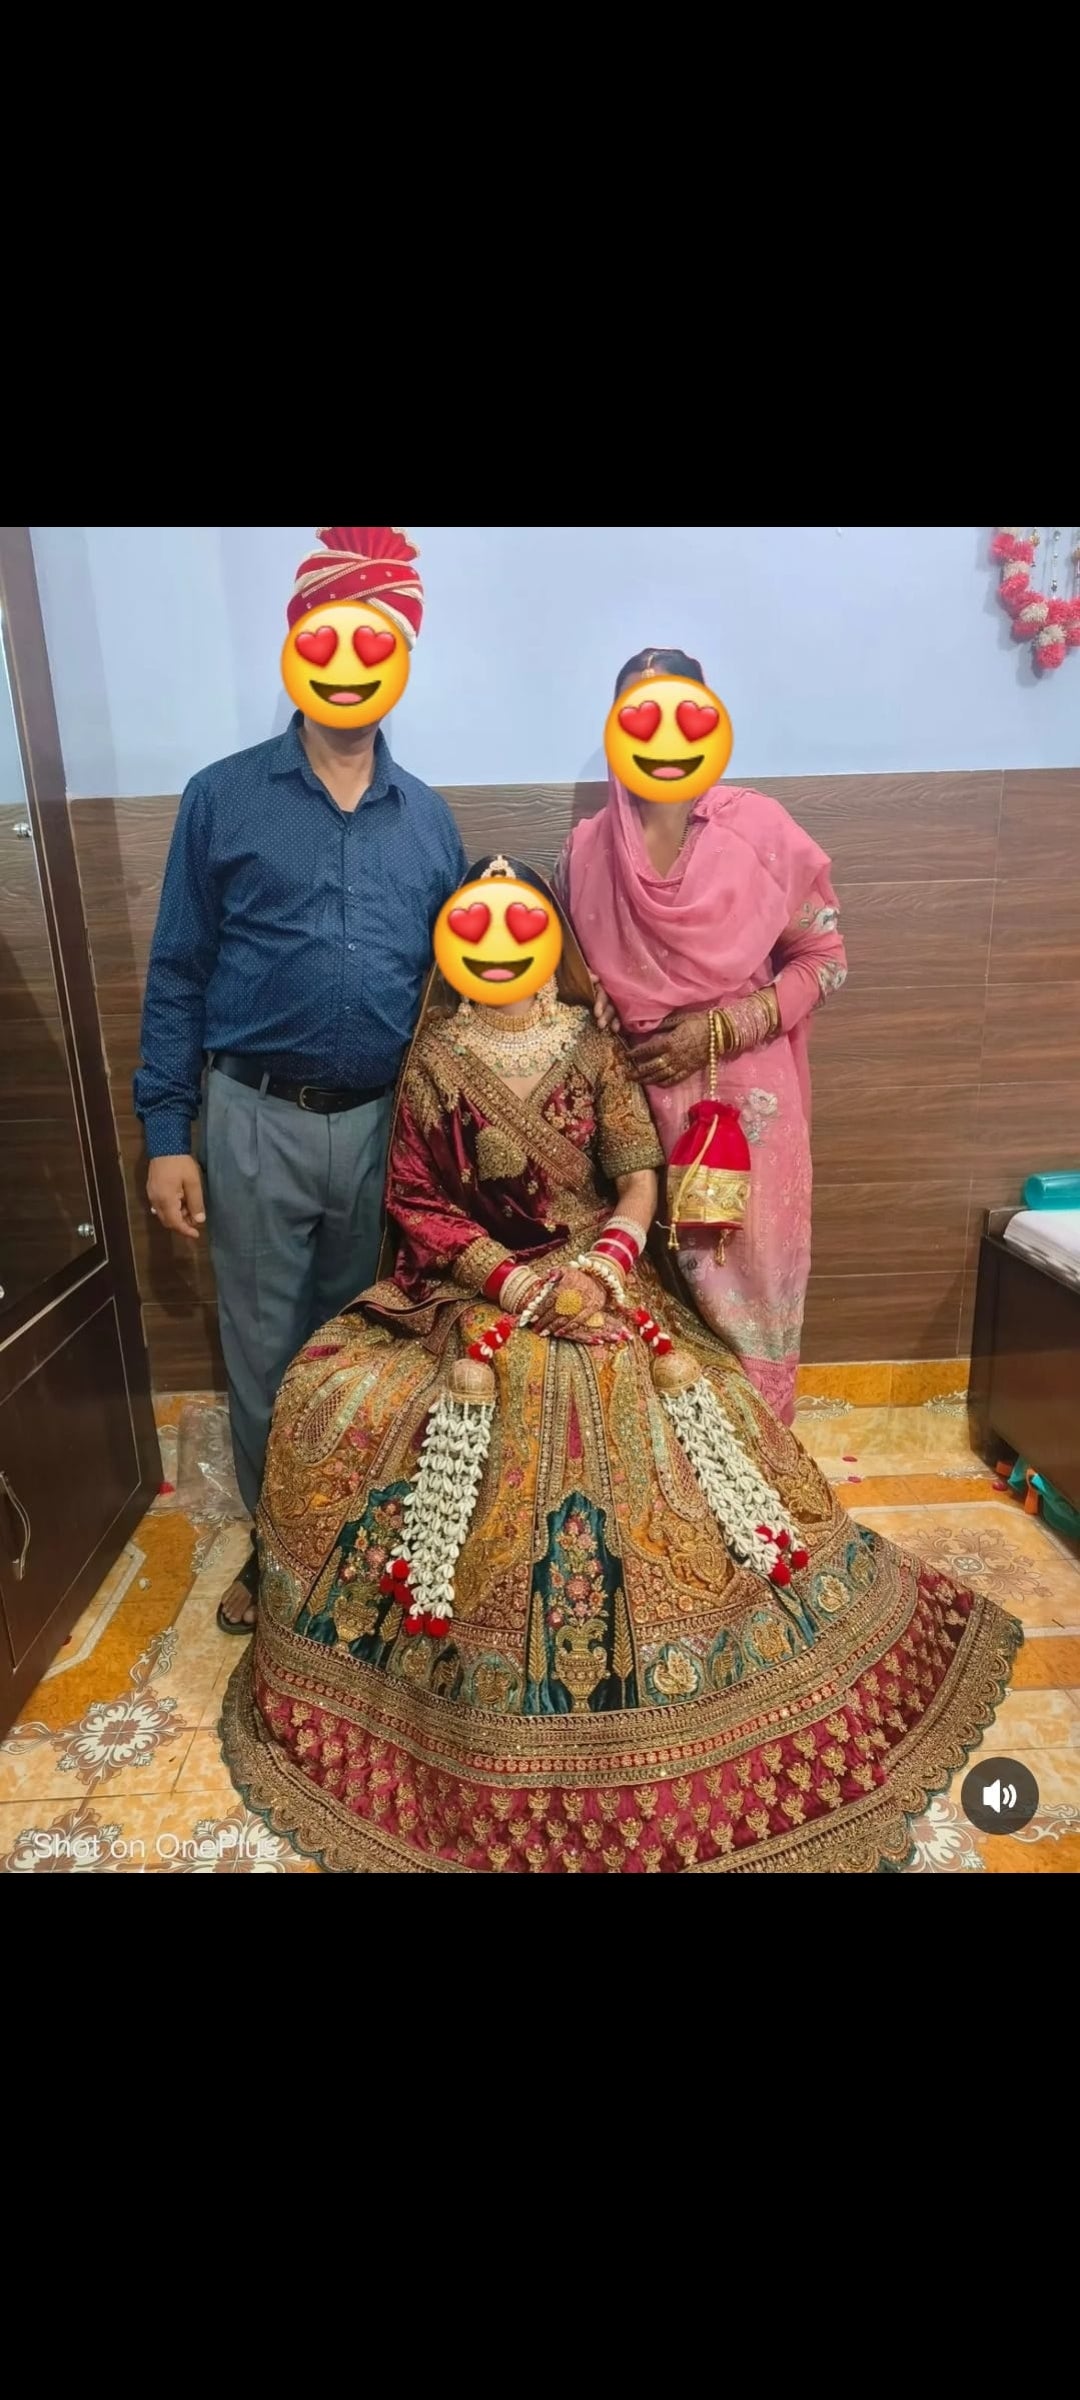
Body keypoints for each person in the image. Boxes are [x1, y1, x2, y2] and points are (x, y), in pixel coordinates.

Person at [220, 859, 1018, 1876]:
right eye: (477, 924)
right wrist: (511, 1284)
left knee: (661, 1419)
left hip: (599, 1276)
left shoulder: (593, 1046)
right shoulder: (432, 1058)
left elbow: (638, 1173)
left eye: (522, 924)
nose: (500, 945)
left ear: (552, 937)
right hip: (479, 1287)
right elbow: (416, 1202)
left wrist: (602, 1266)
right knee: (329, 1395)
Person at [135, 528, 469, 1632]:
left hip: (379, 1129)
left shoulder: (428, 820)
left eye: (374, 642)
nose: (349, 663)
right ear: (296, 647)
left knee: (356, 1351)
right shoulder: (223, 798)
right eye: (328, 638)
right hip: (252, 1121)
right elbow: (178, 970)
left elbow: (453, 990)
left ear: (400, 656)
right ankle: (275, 1557)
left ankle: (348, 1545)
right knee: (265, 1352)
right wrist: (167, 1133)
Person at [555, 647, 848, 1426]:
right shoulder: (585, 851)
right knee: (645, 1319)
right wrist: (597, 1000)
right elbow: (573, 973)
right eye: (640, 715)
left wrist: (722, 1026)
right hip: (630, 1121)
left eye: (682, 713)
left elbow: (825, 962)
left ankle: (760, 1474)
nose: (662, 733)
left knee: (750, 1309)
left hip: (743, 1114)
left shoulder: (759, 831)